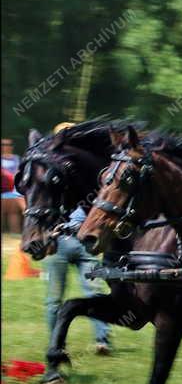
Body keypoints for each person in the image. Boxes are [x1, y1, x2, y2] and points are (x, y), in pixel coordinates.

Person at [42, 123, 112, 354]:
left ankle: (102, 341)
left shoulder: (89, 176)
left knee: (94, 292)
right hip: (60, 242)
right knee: (54, 299)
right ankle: (56, 344)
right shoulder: (52, 177)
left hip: (86, 243)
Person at [2, 139, 25, 233]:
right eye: (3, 144)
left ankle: (14, 234)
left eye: (9, 144)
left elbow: (20, 172)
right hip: (3, 189)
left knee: (14, 214)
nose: (6, 146)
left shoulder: (17, 158)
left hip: (13, 190)